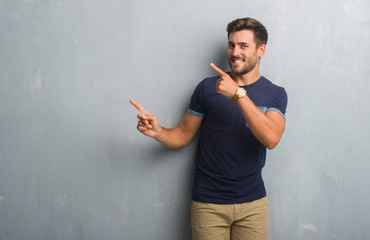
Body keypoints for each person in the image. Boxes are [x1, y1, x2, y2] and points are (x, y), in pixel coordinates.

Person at [130, 17, 287, 240]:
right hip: (208, 203)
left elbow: (271, 138)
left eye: (243, 46)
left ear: (261, 50)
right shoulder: (206, 88)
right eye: (231, 45)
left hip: (253, 204)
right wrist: (158, 132)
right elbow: (183, 134)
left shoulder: (275, 93)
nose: (235, 52)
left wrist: (237, 95)